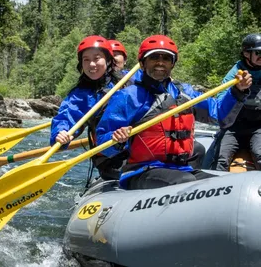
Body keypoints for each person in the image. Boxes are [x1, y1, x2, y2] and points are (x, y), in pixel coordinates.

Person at [96, 34, 252, 190]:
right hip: (141, 171)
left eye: (166, 58)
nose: (160, 62)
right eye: (154, 57)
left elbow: (218, 114)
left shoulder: (184, 93)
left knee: (224, 185)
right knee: (186, 182)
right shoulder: (127, 97)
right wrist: (116, 138)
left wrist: (237, 92)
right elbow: (102, 142)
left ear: (172, 64)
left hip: (180, 169)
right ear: (142, 64)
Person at [50, 35, 128, 181]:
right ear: (81, 64)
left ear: (109, 60)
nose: (92, 64)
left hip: (143, 153)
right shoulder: (80, 95)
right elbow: (66, 117)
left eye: (97, 58)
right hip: (113, 161)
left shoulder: (130, 81)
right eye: (86, 59)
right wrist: (60, 132)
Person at [213, 34, 260, 171]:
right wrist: (237, 89)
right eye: (258, 53)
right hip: (233, 126)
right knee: (219, 160)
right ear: (246, 53)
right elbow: (220, 103)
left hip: (258, 127)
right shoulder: (235, 73)